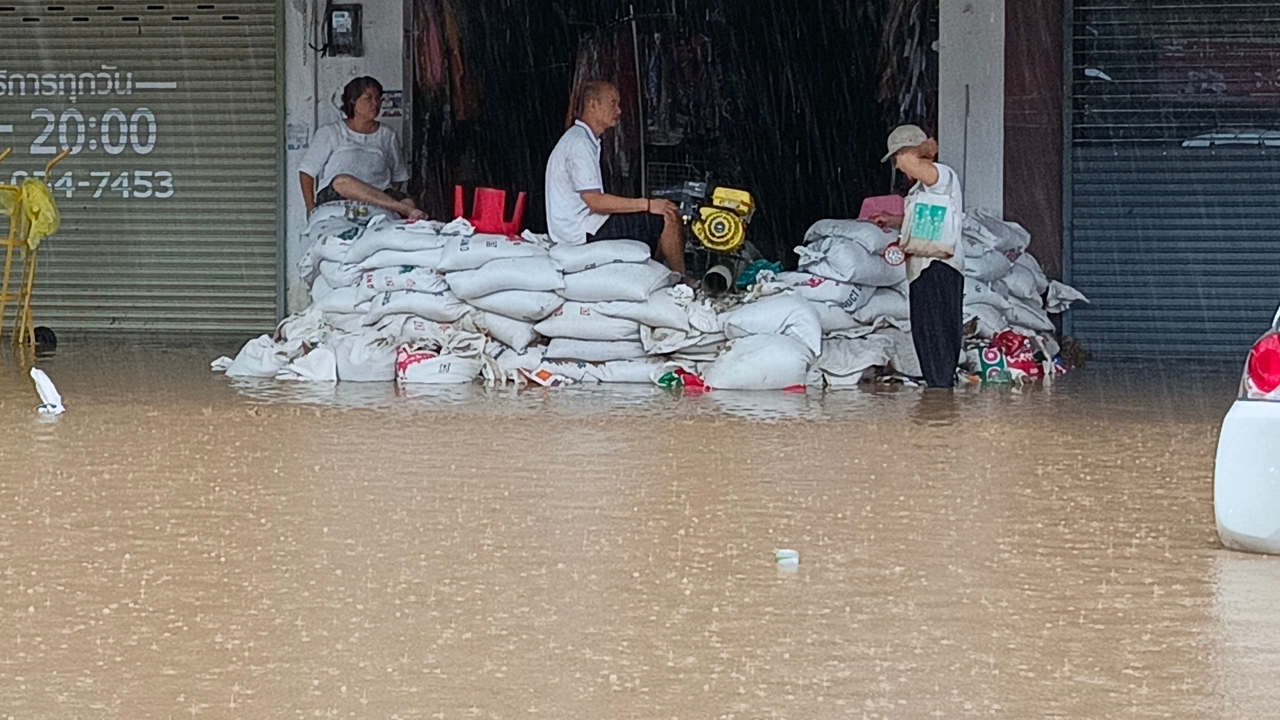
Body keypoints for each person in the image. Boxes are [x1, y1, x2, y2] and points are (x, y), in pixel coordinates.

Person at [544, 80, 685, 275]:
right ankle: (682, 280)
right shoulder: (579, 144)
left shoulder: (583, 139)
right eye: (613, 103)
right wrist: (648, 204)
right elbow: (595, 202)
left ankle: (656, 275)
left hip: (583, 226)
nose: (618, 110)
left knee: (655, 221)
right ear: (593, 104)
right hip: (580, 232)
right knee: (666, 217)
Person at [871, 125, 965, 389]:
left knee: (937, 336)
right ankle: (939, 393)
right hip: (924, 269)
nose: (899, 167)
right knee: (927, 335)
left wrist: (922, 149)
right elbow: (925, 220)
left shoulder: (941, 175)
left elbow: (911, 163)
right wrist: (895, 220)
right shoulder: (924, 188)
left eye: (897, 158)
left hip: (938, 267)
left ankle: (941, 400)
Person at [299, 76, 424, 221]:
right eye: (368, 98)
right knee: (343, 180)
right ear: (353, 102)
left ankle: (400, 209)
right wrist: (311, 207)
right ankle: (401, 209)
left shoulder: (387, 134)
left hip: (379, 194)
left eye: (378, 98)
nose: (375, 104)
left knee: (408, 202)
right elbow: (307, 171)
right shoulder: (331, 132)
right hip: (339, 193)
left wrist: (372, 194)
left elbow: (398, 177)